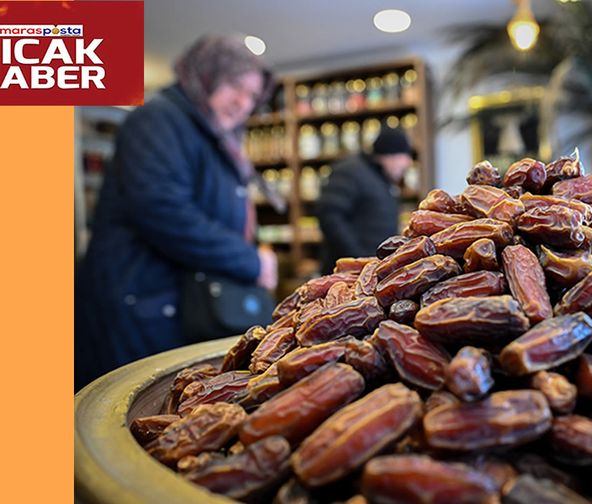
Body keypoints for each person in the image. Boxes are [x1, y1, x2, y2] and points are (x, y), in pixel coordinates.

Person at [75, 34, 277, 390]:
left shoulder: (208, 131)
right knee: (125, 413)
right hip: (138, 307)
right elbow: (163, 211)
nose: (244, 103)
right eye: (235, 86)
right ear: (207, 74)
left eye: (252, 95)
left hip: (173, 304)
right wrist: (250, 262)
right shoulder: (159, 120)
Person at [316, 127, 414, 274]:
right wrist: (358, 257)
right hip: (346, 275)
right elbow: (329, 215)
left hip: (370, 272)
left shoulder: (382, 180)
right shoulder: (350, 172)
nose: (408, 163)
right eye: (404, 156)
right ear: (389, 155)